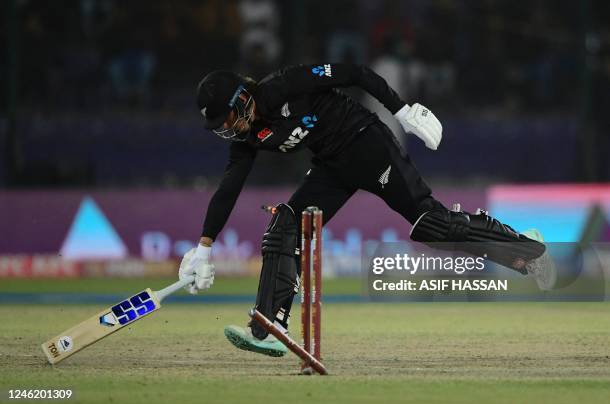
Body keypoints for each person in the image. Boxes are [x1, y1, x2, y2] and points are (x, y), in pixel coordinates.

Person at [178, 63, 555, 357]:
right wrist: (204, 247)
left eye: (226, 118)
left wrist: (403, 110)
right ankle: (269, 328)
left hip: (369, 145)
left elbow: (354, 72)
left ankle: (525, 249)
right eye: (219, 126)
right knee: (285, 223)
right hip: (333, 168)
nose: (227, 129)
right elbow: (230, 186)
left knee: (432, 226)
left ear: (242, 97)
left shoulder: (285, 85)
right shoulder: (246, 138)